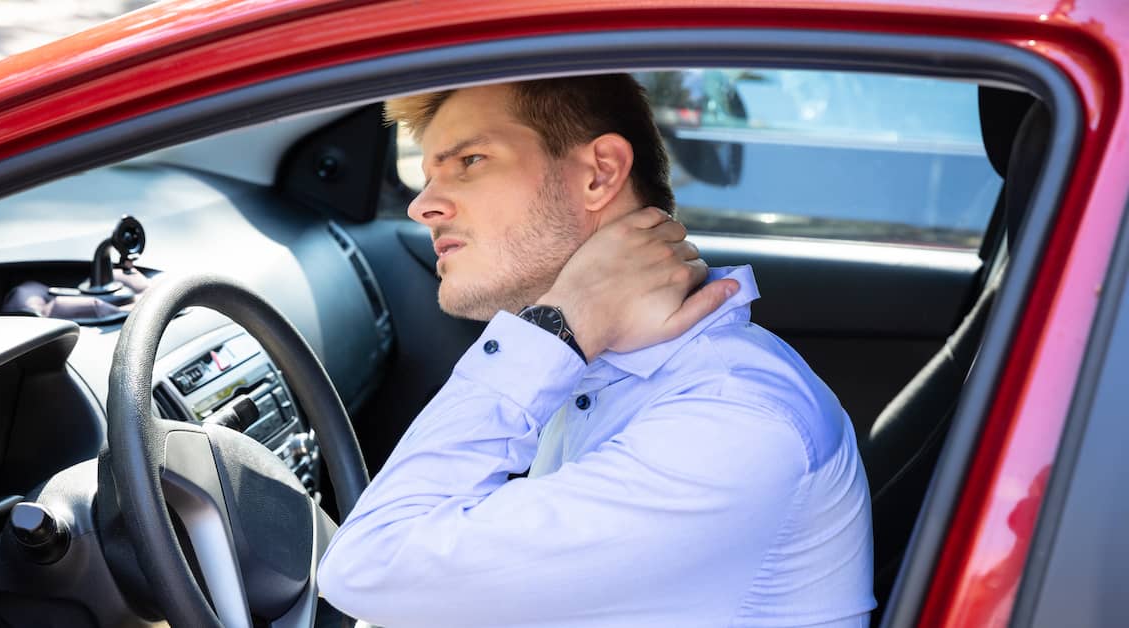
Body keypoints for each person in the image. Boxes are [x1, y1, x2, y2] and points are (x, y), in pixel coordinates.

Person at [318, 74, 875, 627]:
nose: (423, 207)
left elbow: (369, 566)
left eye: (471, 162)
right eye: (426, 176)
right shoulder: (614, 369)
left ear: (599, 174)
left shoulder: (731, 423)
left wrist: (556, 326)